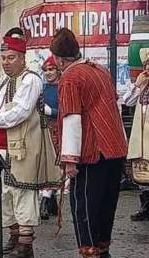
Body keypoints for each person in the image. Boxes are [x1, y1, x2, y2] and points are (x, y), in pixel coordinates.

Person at [0, 27, 61, 258]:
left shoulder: (31, 80)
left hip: (23, 148)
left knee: (22, 192)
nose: (6, 63)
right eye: (4, 58)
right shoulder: (4, 82)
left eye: (11, 58)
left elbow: (20, 111)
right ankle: (14, 237)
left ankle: (26, 245)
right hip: (1, 147)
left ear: (22, 57)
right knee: (4, 194)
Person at [50, 28, 128, 258]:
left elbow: (72, 118)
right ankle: (103, 251)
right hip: (114, 149)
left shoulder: (71, 78)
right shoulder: (101, 71)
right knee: (106, 206)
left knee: (84, 207)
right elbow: (116, 109)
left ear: (60, 59)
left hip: (92, 152)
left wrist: (70, 160)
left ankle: (91, 252)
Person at [123, 48, 149, 222]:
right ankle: (145, 205)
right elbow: (127, 101)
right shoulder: (142, 87)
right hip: (141, 137)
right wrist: (137, 85)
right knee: (143, 173)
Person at [39, 55, 60, 221]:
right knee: (46, 165)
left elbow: (68, 110)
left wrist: (51, 112)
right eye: (45, 70)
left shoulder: (63, 87)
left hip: (59, 130)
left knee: (55, 165)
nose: (48, 73)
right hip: (44, 130)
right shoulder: (42, 89)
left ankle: (45, 201)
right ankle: (51, 201)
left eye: (51, 69)